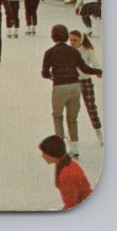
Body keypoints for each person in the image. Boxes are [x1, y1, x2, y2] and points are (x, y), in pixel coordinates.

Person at [41, 24, 102, 158]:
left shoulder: (49, 52)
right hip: (75, 86)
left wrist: (53, 77)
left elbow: (44, 73)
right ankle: (74, 149)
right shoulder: (74, 52)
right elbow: (85, 69)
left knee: (58, 115)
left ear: (53, 36)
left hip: (59, 87)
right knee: (72, 118)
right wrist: (98, 71)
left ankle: (60, 147)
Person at [38, 135, 92, 210]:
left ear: (52, 153)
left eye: (44, 153)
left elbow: (72, 205)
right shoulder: (64, 162)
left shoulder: (66, 174)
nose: (42, 156)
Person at [69, 30, 103, 146]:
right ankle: (71, 137)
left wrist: (98, 71)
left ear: (81, 40)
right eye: (70, 39)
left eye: (75, 40)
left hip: (85, 81)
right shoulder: (68, 51)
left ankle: (99, 134)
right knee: (71, 109)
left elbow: (96, 65)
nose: (72, 42)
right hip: (72, 82)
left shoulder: (87, 51)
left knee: (91, 108)